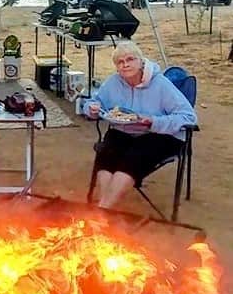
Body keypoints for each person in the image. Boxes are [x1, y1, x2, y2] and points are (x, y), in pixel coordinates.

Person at [83, 41, 197, 211]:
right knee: (107, 151)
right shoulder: (114, 82)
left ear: (141, 61)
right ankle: (106, 208)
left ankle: (103, 210)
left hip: (160, 134)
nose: (125, 64)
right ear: (116, 67)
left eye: (130, 59)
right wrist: (92, 109)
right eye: (120, 62)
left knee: (133, 157)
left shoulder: (160, 84)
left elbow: (189, 117)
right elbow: (93, 102)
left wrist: (154, 121)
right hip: (125, 131)